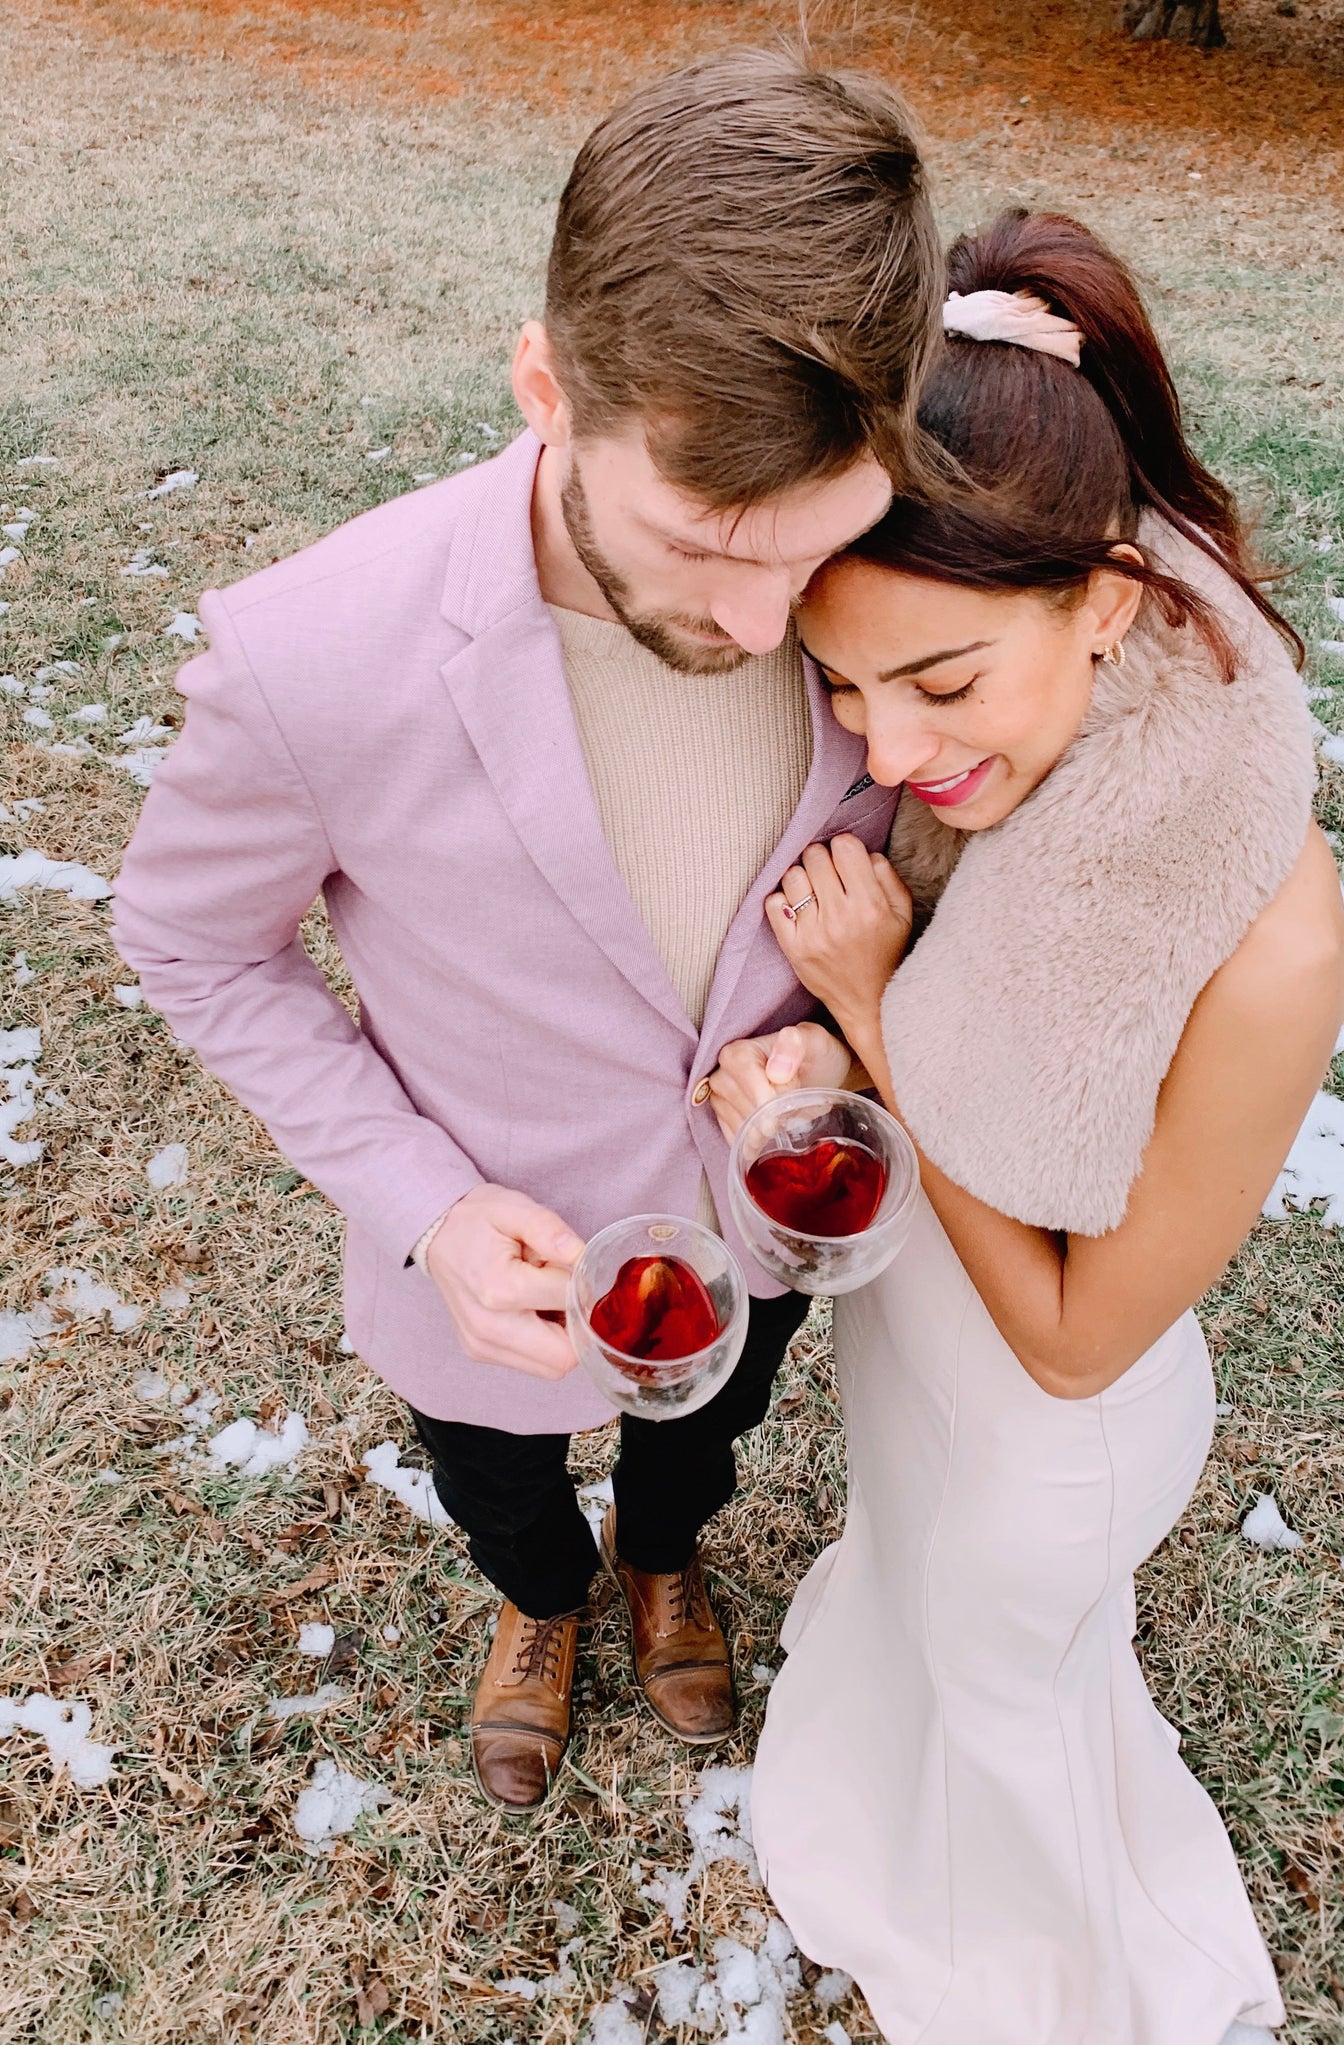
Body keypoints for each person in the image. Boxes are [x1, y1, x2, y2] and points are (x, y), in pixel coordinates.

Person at [111, 48, 942, 1813]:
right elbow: (193, 945)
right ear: (545, 387)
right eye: (703, 538)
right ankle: (540, 1601)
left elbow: (952, 853)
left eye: (815, 548)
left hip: (756, 1225)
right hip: (483, 1286)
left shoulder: (901, 586)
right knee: (498, 1477)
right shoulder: (308, 657)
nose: (763, 617)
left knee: (700, 1447)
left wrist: (851, 1036)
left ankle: (661, 1561)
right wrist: (417, 1203)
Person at [704, 211, 1344, 2043]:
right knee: (905, 1628)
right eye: (842, 683)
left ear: (1111, 601)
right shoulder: (1020, 767)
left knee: (1017, 1747)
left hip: (1039, 1452)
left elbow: (1072, 1341)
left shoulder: (1264, 946)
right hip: (918, 1377)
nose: (887, 752)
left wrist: (869, 1025)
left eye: (940, 680)